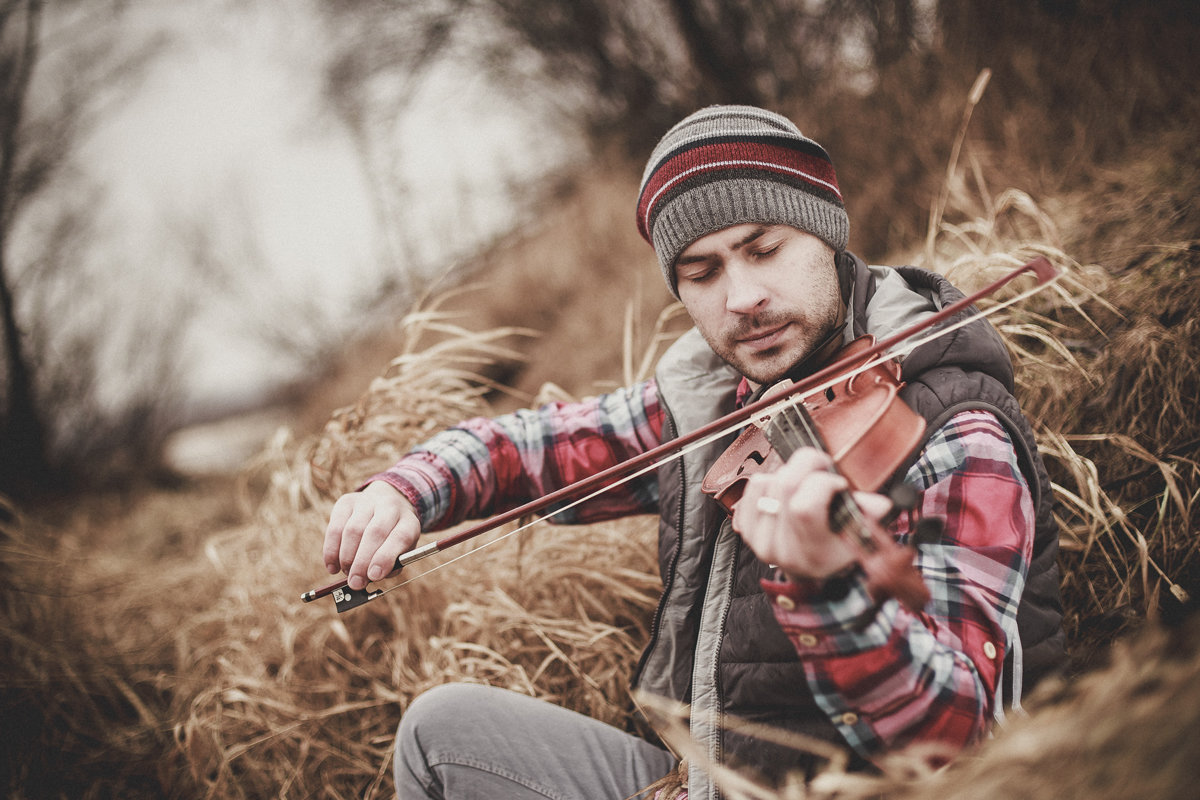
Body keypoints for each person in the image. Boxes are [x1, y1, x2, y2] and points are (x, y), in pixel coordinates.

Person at [321, 105, 1066, 799]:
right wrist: (406, 491)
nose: (741, 297)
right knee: (442, 731)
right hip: (708, 780)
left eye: (764, 249)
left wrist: (833, 590)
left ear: (827, 236)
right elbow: (527, 448)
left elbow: (961, 736)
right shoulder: (723, 400)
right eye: (703, 272)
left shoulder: (955, 428)